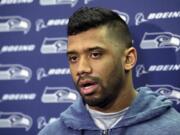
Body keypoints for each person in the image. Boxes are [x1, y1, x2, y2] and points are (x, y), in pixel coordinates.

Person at [38, 7, 180, 135]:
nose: (81, 69)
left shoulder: (173, 128)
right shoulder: (52, 132)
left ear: (129, 59)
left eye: (95, 54)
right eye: (73, 58)